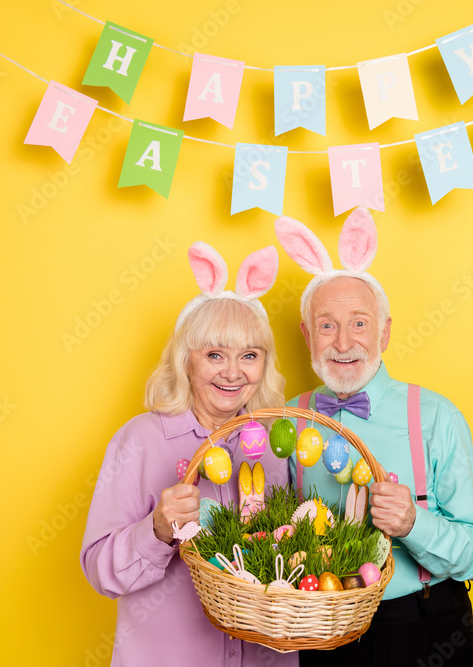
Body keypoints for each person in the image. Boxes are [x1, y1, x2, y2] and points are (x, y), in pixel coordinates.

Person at [275, 209, 473, 667]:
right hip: (325, 630)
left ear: (385, 331)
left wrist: (415, 524)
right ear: (306, 336)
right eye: (326, 325)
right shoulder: (288, 421)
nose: (342, 343)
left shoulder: (435, 417)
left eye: (359, 322)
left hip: (426, 624)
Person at [80, 242, 297, 667]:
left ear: (264, 364)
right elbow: (99, 570)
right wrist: (157, 531)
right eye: (215, 355)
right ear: (186, 362)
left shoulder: (272, 443)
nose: (233, 372)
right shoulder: (141, 439)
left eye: (249, 356)